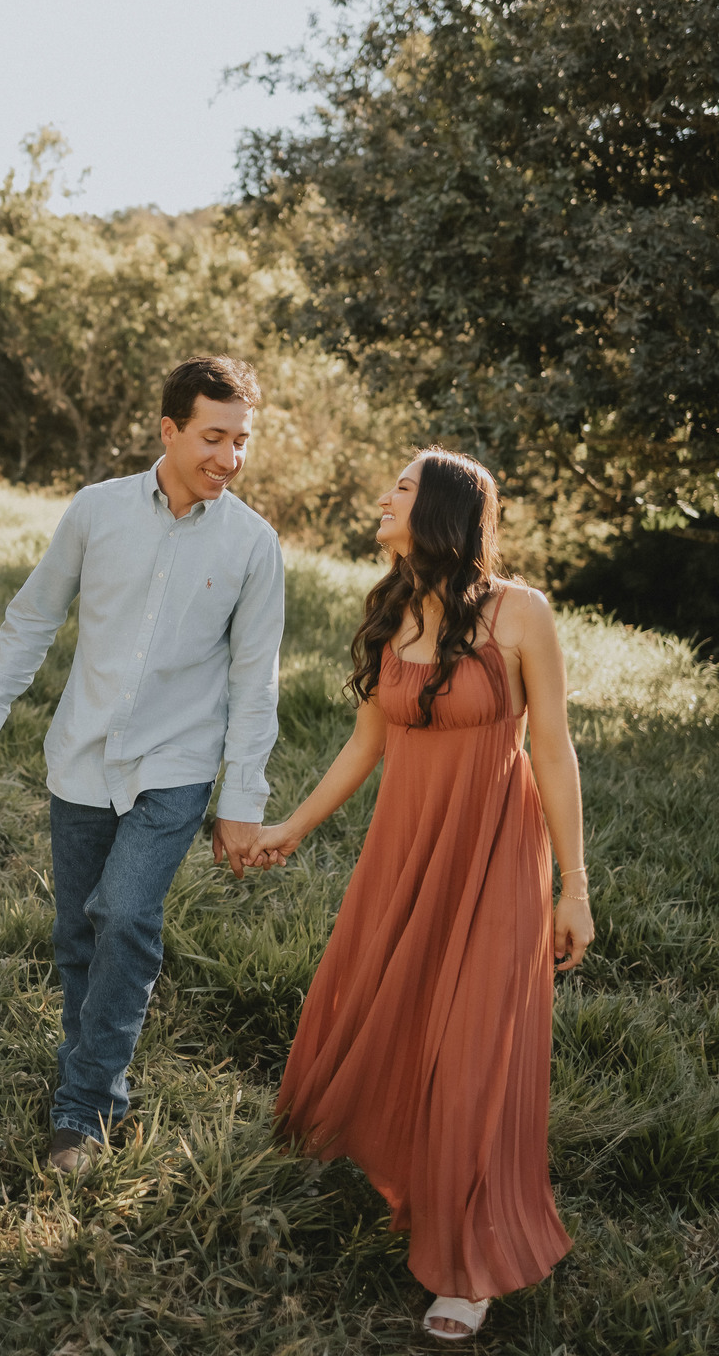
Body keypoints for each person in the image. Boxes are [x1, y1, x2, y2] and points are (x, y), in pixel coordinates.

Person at [249, 449, 593, 1343]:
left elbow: (553, 750)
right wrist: (293, 826)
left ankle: (467, 1261)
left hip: (494, 854)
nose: (381, 496)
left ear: (439, 508)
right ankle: (386, 1161)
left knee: (477, 1047)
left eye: (399, 488)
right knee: (392, 1008)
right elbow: (366, 744)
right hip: (404, 851)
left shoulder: (521, 613)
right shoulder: (392, 610)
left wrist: (575, 887)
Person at [0, 355, 285, 1175]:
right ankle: (86, 1067)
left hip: (176, 765)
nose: (229, 457)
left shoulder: (253, 545)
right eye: (213, 437)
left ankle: (86, 1109)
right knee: (78, 935)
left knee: (125, 915)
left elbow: (255, 684)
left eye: (241, 441)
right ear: (169, 430)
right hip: (80, 754)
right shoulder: (95, 510)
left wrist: (241, 801)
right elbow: (34, 617)